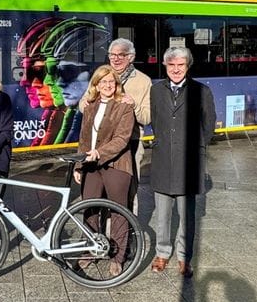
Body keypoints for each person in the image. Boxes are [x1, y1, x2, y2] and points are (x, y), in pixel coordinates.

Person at [148, 46, 216, 278]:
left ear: (187, 66)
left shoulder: (201, 91)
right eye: (171, 65)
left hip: (189, 162)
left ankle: (184, 257)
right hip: (163, 160)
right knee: (163, 213)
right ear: (165, 66)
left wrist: (194, 147)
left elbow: (208, 126)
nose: (176, 69)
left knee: (187, 215)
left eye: (181, 65)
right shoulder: (156, 90)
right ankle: (162, 253)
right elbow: (156, 122)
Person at [72, 65, 136, 277]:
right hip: (91, 165)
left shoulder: (124, 106)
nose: (108, 86)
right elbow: (83, 139)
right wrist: (79, 164)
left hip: (116, 165)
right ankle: (91, 250)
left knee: (118, 210)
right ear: (96, 85)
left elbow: (122, 139)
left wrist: (99, 153)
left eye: (112, 82)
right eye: (103, 82)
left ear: (116, 84)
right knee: (90, 209)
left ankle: (117, 257)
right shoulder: (90, 106)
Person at [79, 38, 151, 200]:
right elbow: (83, 105)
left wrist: (134, 106)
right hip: (98, 142)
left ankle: (128, 224)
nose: (116, 58)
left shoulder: (143, 81)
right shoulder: (101, 75)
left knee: (126, 194)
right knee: (98, 193)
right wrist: (87, 104)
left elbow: (147, 118)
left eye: (121, 55)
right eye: (112, 55)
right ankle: (103, 226)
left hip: (129, 144)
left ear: (131, 57)